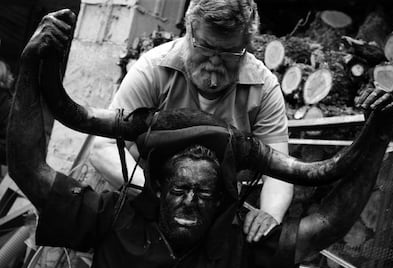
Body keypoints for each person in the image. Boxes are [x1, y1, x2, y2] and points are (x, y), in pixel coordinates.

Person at [8, 8, 393, 268]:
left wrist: (380, 134)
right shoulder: (114, 216)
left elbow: (327, 221)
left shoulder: (234, 239)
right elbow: (32, 168)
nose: (191, 202)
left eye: (204, 192)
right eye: (180, 189)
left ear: (220, 200)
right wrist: (31, 66)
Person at [90, 0, 292, 242]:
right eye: (205, 47)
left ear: (247, 46)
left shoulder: (264, 88)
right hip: (141, 204)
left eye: (229, 52)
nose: (215, 61)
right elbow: (103, 148)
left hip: (214, 220)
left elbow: (280, 170)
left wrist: (270, 214)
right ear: (189, 31)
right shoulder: (152, 69)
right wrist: (160, 194)